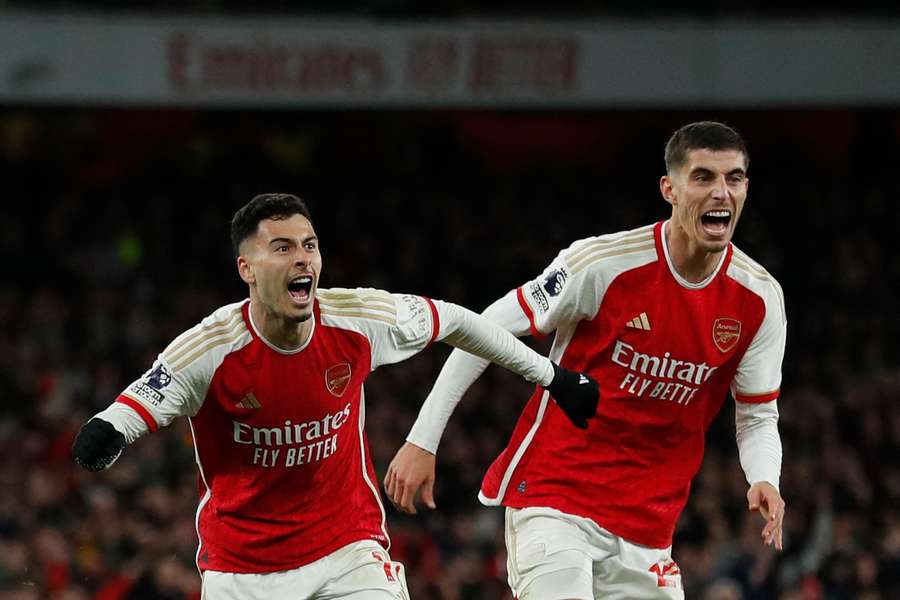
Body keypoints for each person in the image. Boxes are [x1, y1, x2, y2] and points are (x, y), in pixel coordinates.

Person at [72, 193, 599, 600]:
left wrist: (551, 375)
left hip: (347, 548)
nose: (303, 259)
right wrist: (108, 432)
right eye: (282, 248)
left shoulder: (356, 318)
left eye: (309, 245)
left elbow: (459, 322)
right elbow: (136, 405)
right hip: (244, 567)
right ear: (247, 269)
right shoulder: (210, 350)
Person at [385, 122, 787, 599]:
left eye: (734, 178)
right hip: (556, 498)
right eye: (703, 177)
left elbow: (758, 414)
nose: (721, 192)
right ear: (670, 190)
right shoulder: (602, 264)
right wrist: (422, 439)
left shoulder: (759, 298)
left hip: (648, 527)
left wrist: (764, 477)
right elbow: (486, 325)